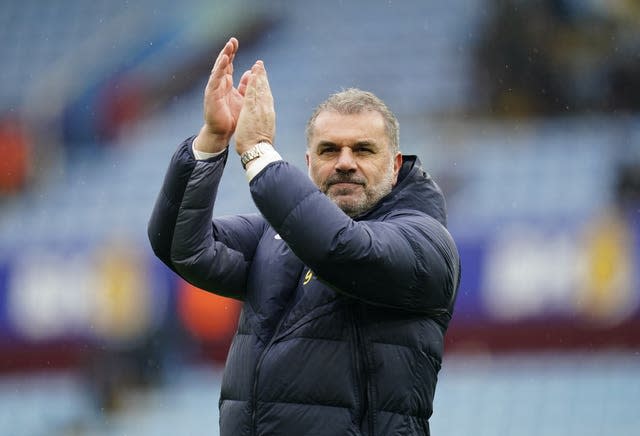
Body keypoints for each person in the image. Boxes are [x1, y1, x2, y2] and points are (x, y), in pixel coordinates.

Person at [148, 37, 460, 436]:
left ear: (395, 165)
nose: (345, 163)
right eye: (329, 150)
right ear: (309, 163)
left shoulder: (426, 243)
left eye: (363, 150)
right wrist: (213, 139)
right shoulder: (276, 234)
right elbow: (181, 246)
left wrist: (258, 152)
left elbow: (341, 249)